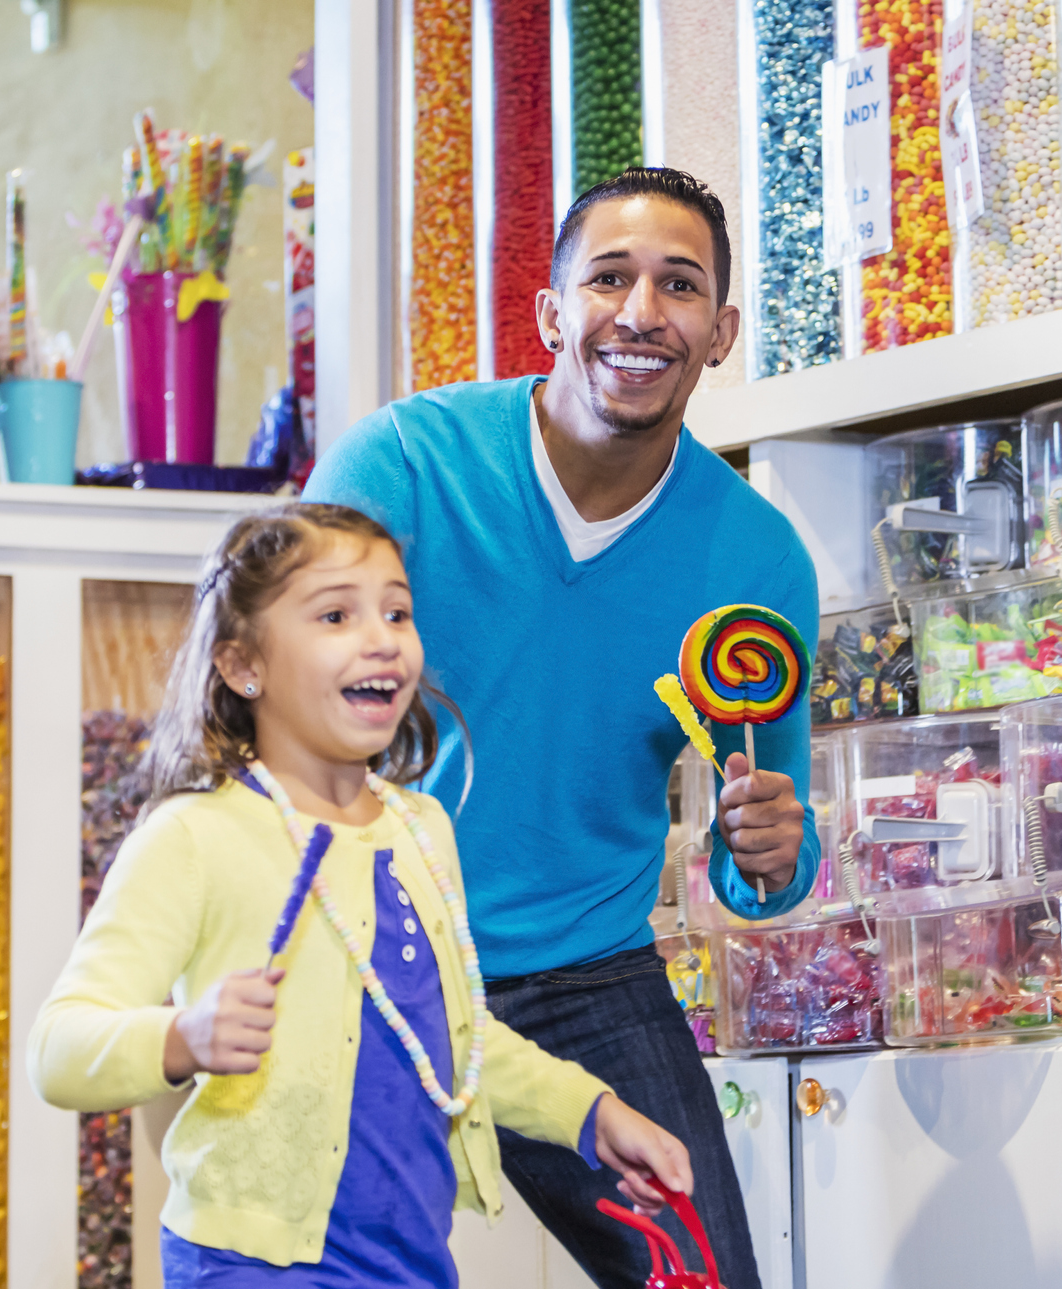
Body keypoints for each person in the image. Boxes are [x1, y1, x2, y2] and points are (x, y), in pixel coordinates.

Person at [303, 167, 820, 1287]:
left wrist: (770, 852)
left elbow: (769, 855)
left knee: (701, 1275)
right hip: (363, 956)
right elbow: (264, 714)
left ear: (720, 330)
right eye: (608, 277)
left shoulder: (757, 561)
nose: (640, 312)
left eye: (677, 286)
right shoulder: (399, 465)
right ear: (549, 312)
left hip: (586, 980)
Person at [32, 503, 695, 1289]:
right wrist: (183, 1037)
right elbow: (59, 1049)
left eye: (397, 610)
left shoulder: (421, 828)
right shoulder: (195, 837)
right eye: (337, 614)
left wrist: (592, 1113)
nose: (381, 636)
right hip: (250, 1266)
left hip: (410, 1264)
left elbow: (454, 1038)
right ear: (244, 665)